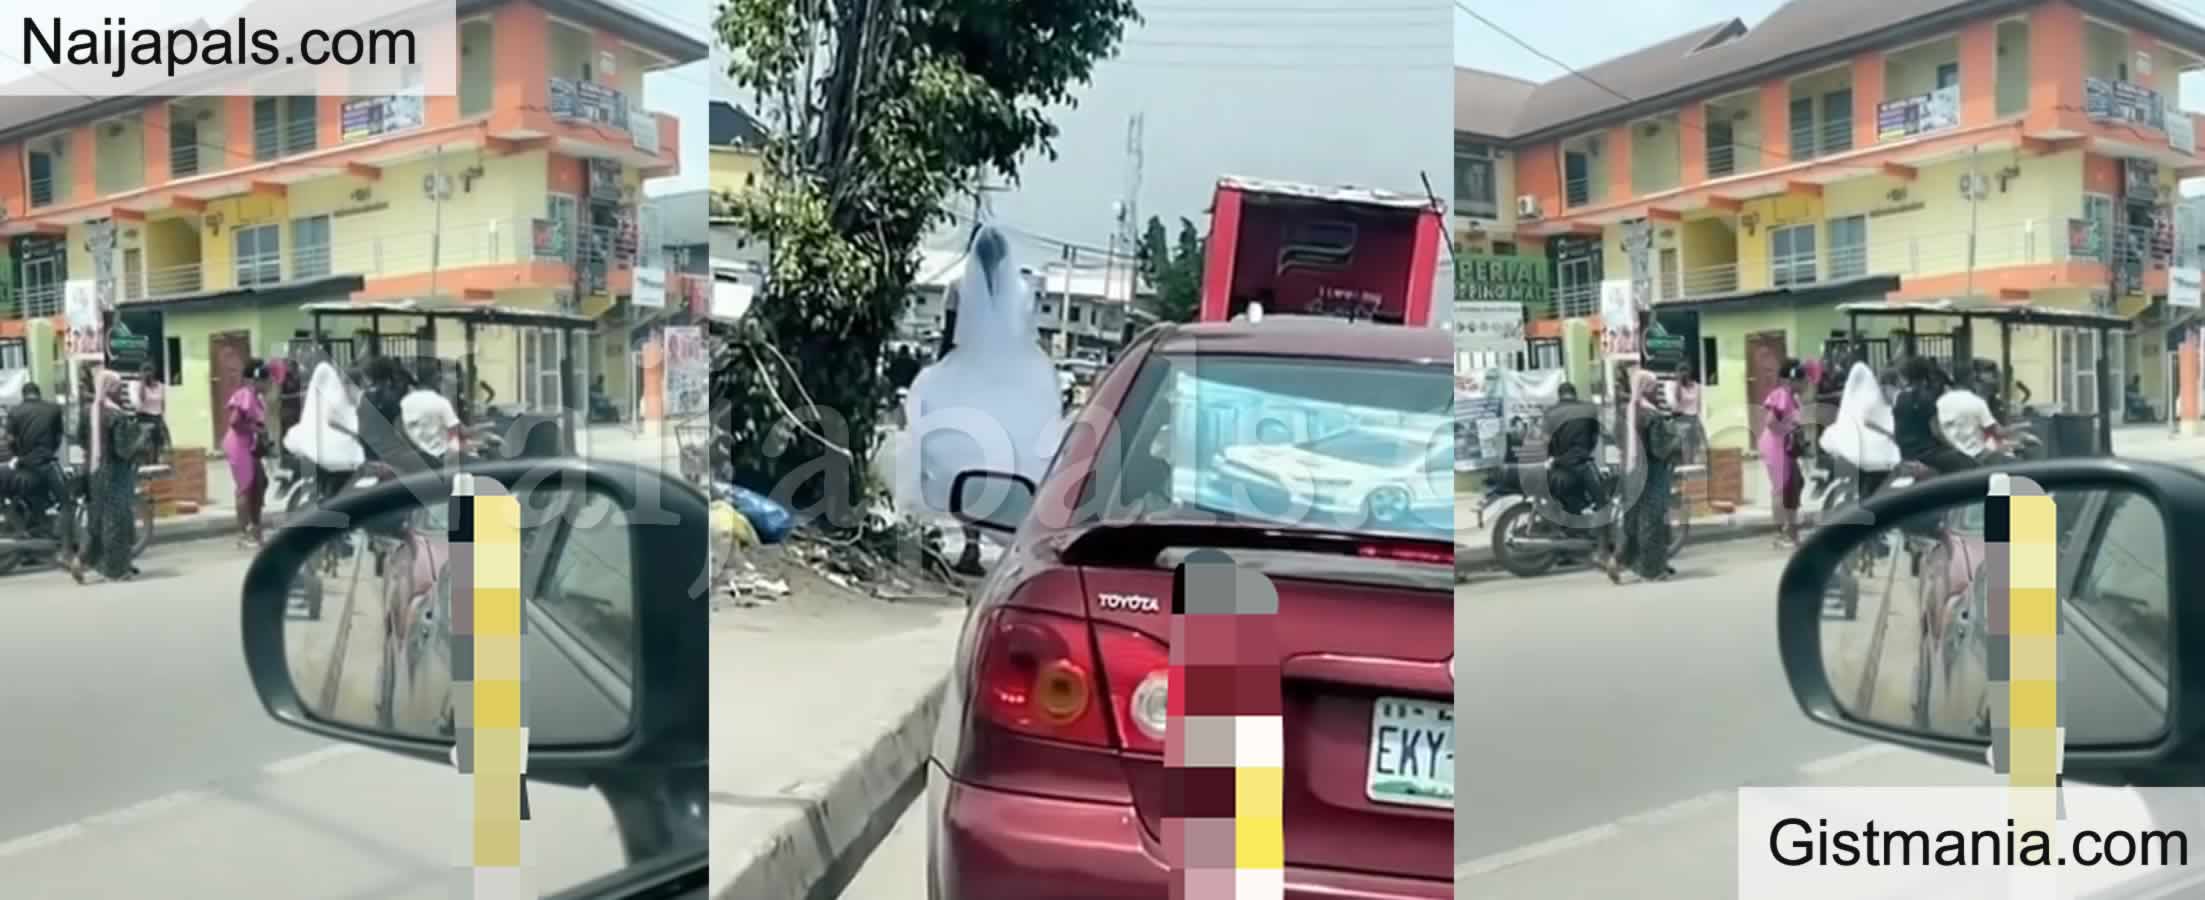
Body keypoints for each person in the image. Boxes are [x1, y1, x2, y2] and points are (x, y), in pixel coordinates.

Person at [898, 225, 1064, 577]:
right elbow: (1027, 337)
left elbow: (949, 336)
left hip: (969, 377)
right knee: (1012, 465)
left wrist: (940, 376)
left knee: (963, 463)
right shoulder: (1022, 290)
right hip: (1017, 383)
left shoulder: (958, 289)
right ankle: (1013, 547)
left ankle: (972, 544)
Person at [1609, 372, 1682, 583]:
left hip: (1629, 473)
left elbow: (1617, 439)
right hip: (1652, 474)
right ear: (1646, 389)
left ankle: (1619, 560)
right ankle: (1651, 570)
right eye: (1653, 387)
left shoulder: (1624, 413)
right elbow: (1659, 450)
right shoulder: (1652, 416)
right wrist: (1675, 443)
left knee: (1630, 520)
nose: (1656, 391)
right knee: (1652, 520)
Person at [76, 371, 144, 582]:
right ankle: (115, 570)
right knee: (117, 520)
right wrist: (140, 438)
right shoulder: (117, 416)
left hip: (94, 472)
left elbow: (80, 438)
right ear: (111, 389)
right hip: (115, 474)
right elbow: (124, 449)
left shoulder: (88, 412)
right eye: (117, 387)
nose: (119, 391)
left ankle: (82, 561)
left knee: (96, 520)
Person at [284, 355, 366, 504]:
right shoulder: (338, 396)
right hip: (337, 446)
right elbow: (332, 420)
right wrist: (352, 433)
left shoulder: (346, 394)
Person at [1819, 361, 1901, 502]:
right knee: (1875, 480)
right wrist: (1887, 433)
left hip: (1862, 448)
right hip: (1872, 450)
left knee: (1868, 481)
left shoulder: (1865, 396)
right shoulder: (1874, 397)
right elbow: (1868, 421)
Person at [1894, 356, 1975, 476]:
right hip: (1928, 453)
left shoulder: (1900, 397)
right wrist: (1954, 447)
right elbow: (1937, 432)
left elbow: (1898, 430)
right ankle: (2010, 492)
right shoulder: (1926, 397)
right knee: (1970, 464)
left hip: (1907, 453)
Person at [1759, 359, 1809, 547]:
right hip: (1776, 446)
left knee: (1795, 485)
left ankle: (1791, 531)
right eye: (1803, 380)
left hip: (1784, 446)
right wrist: (1789, 431)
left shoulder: (1792, 398)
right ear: (1792, 380)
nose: (1806, 384)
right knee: (1782, 490)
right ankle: (1782, 534)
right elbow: (1771, 422)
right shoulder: (1781, 395)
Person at [5, 381, 65, 533]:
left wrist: (18, 455)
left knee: (24, 494)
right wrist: (50, 451)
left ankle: (31, 525)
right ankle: (65, 543)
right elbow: (58, 436)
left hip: (26, 465)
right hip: (48, 463)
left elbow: (10, 439)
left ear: (23, 395)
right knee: (66, 502)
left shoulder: (15, 412)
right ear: (39, 393)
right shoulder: (54, 409)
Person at [224, 361, 272, 547]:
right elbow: (235, 422)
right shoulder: (245, 395)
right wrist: (255, 429)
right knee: (245, 487)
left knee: (260, 483)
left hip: (249, 446)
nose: (269, 385)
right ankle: (243, 534)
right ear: (257, 380)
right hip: (238, 445)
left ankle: (255, 527)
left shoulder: (257, 398)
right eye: (267, 381)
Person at [1542, 382, 1602, 519]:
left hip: (1559, 465)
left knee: (1569, 496)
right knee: (1600, 501)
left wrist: (1551, 459)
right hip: (1581, 462)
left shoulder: (1550, 411)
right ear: (1575, 394)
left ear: (1559, 396)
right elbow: (1594, 437)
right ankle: (1596, 531)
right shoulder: (1589, 408)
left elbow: (1545, 441)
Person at [1939, 368, 2012, 462]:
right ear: (1972, 379)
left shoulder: (1940, 402)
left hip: (1953, 455)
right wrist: (2022, 428)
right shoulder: (1977, 402)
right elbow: (1998, 433)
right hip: (1978, 455)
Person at [402, 371, 465, 467]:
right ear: (437, 381)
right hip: (443, 456)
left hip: (420, 457)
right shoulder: (441, 402)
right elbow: (457, 436)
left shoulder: (405, 402)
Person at [1673, 368, 1705, 466]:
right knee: (1685, 445)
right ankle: (1686, 467)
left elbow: (1699, 404)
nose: (1688, 380)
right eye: (1684, 378)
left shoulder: (1697, 387)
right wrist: (1678, 385)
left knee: (1697, 442)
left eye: (1688, 377)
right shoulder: (1678, 387)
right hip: (1683, 417)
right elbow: (1677, 402)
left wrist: (1698, 417)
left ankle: (1694, 465)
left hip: (1694, 417)